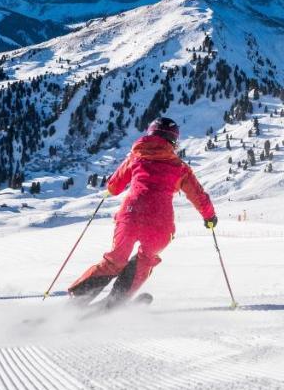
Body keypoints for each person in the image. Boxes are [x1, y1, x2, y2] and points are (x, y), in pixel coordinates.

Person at [68, 116, 217, 304]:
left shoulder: (136, 157)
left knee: (116, 260)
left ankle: (78, 299)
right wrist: (209, 217)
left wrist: (109, 191)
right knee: (145, 258)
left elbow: (114, 186)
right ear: (173, 140)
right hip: (160, 222)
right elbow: (199, 196)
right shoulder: (180, 168)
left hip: (131, 215)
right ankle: (117, 300)